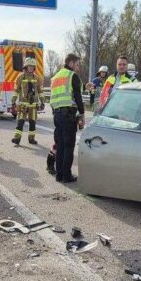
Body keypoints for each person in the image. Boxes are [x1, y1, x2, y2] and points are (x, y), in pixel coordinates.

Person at [49, 53, 84, 183]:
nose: (78, 67)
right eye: (77, 64)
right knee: (69, 147)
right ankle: (66, 176)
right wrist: (82, 114)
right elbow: (78, 97)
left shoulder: (55, 77)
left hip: (57, 115)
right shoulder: (72, 76)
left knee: (60, 146)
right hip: (68, 115)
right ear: (71, 63)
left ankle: (59, 175)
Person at [11, 57, 44, 146]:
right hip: (23, 105)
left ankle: (31, 139)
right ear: (25, 67)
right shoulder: (20, 77)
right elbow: (16, 90)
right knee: (20, 122)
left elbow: (40, 91)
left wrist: (43, 101)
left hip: (33, 106)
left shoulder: (37, 78)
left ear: (34, 68)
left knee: (32, 122)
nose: (31, 68)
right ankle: (17, 138)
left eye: (32, 66)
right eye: (29, 66)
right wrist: (13, 101)